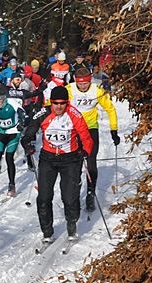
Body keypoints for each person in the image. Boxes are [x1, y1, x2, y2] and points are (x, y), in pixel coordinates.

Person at [21, 86, 94, 242]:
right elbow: (29, 132)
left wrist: (85, 152)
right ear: (51, 102)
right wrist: (27, 143)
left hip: (70, 159)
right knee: (44, 197)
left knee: (69, 197)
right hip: (48, 159)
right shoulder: (43, 113)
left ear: (66, 102)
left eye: (62, 103)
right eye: (55, 103)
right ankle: (47, 232)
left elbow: (86, 137)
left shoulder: (74, 114)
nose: (59, 107)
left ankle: (72, 224)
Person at [66, 67, 119, 211]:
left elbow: (110, 109)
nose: (83, 86)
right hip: (74, 129)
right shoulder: (69, 90)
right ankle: (75, 193)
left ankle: (90, 192)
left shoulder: (97, 90)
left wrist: (113, 130)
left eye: (86, 83)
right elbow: (55, 103)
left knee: (91, 160)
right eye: (80, 83)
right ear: (75, 81)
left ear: (90, 81)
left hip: (91, 128)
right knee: (75, 162)